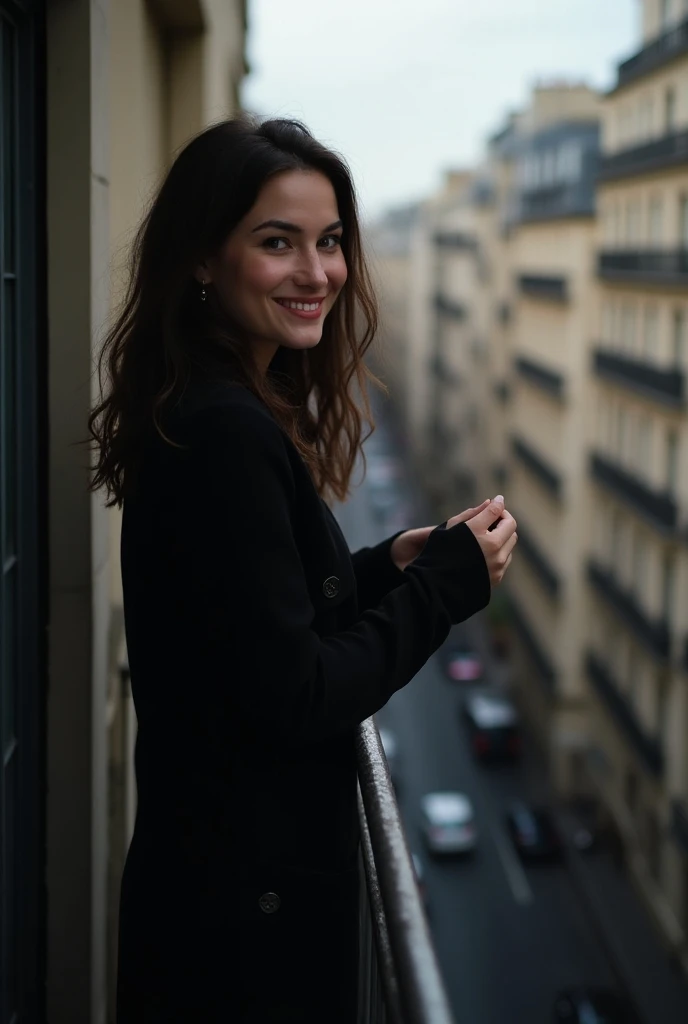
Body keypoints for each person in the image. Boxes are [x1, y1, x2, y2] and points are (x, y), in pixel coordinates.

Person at [88, 116, 518, 1023]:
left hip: (210, 898)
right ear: (204, 258)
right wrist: (446, 588)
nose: (317, 272)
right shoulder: (227, 431)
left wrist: (382, 568)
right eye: (276, 242)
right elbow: (300, 694)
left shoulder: (211, 403)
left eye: (329, 242)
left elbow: (246, 615)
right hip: (247, 936)